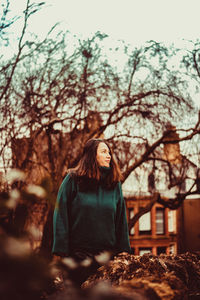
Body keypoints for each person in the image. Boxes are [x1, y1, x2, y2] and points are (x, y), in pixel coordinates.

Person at [52, 138, 131, 283]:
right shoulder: (73, 179)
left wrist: (124, 251)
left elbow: (121, 220)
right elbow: (60, 213)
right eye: (103, 152)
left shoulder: (114, 184)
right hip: (78, 256)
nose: (109, 156)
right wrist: (62, 249)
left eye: (109, 152)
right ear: (91, 156)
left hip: (108, 257)